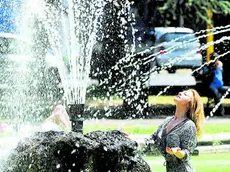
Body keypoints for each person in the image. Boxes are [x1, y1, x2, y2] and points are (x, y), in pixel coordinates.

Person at [149, 89, 205, 172]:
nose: (180, 93)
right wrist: (126, 139)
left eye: (185, 94)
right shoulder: (167, 121)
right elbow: (151, 140)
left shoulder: (189, 125)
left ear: (190, 104)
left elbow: (187, 154)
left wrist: (177, 152)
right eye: (182, 92)